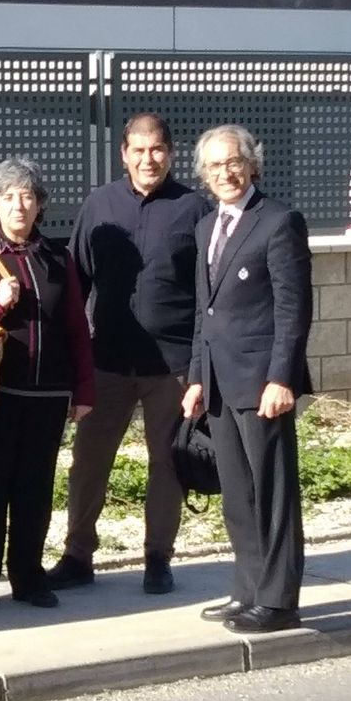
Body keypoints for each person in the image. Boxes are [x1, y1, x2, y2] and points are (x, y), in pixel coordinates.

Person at [48, 113, 211, 596]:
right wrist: (69, 360)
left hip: (172, 366)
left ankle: (158, 558)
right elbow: (76, 285)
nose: (148, 159)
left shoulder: (194, 209)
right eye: (138, 150)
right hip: (108, 361)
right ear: (123, 154)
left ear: (171, 153)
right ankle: (78, 555)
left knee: (167, 463)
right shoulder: (99, 205)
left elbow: (209, 295)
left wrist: (200, 368)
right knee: (88, 461)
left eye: (156, 149)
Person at [0, 157, 95, 613]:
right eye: (8, 197)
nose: (19, 205)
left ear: (39, 204)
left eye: (27, 196)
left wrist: (83, 390)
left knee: (35, 493)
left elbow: (76, 328)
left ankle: (28, 578)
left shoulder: (57, 258)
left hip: (47, 398)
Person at [182, 125, 313, 635]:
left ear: (252, 164)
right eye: (215, 166)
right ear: (204, 175)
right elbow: (205, 312)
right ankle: (249, 590)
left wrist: (282, 378)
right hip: (218, 383)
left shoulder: (278, 222)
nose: (226, 173)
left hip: (262, 386)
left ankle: (278, 601)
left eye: (233, 162)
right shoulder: (205, 227)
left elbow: (293, 310)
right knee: (238, 495)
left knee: (273, 493)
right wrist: (197, 377)